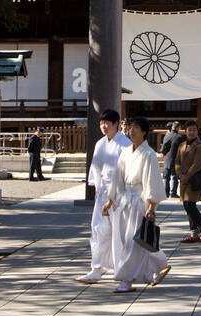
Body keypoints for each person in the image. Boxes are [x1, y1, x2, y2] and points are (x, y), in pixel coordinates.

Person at [102, 115, 170, 292]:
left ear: (144, 132)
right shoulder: (125, 152)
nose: (131, 131)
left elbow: (151, 181)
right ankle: (159, 264)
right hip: (125, 198)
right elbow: (117, 178)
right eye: (130, 127)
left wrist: (151, 207)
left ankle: (126, 279)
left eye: (136, 128)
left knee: (135, 241)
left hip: (140, 199)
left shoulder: (148, 154)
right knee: (130, 239)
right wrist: (110, 200)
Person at [76, 109, 130, 283]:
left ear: (116, 124)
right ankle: (96, 268)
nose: (104, 126)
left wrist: (115, 195)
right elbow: (96, 168)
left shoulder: (125, 144)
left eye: (107, 123)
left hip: (119, 196)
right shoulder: (100, 143)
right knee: (98, 230)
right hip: (102, 194)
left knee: (119, 233)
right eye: (101, 123)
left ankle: (122, 269)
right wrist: (97, 189)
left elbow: (126, 173)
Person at [176, 120, 201, 243]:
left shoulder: (200, 146)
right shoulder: (182, 145)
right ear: (185, 131)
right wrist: (179, 174)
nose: (191, 132)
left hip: (193, 180)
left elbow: (198, 164)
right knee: (188, 205)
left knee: (189, 205)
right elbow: (177, 161)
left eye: (194, 130)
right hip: (183, 179)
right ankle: (194, 234)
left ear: (197, 131)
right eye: (189, 130)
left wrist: (187, 175)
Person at [160, 121, 182, 198]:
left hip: (167, 159)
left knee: (166, 177)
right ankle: (173, 192)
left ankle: (165, 193)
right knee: (174, 176)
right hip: (175, 158)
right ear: (178, 128)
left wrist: (162, 152)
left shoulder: (167, 135)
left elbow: (164, 146)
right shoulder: (178, 137)